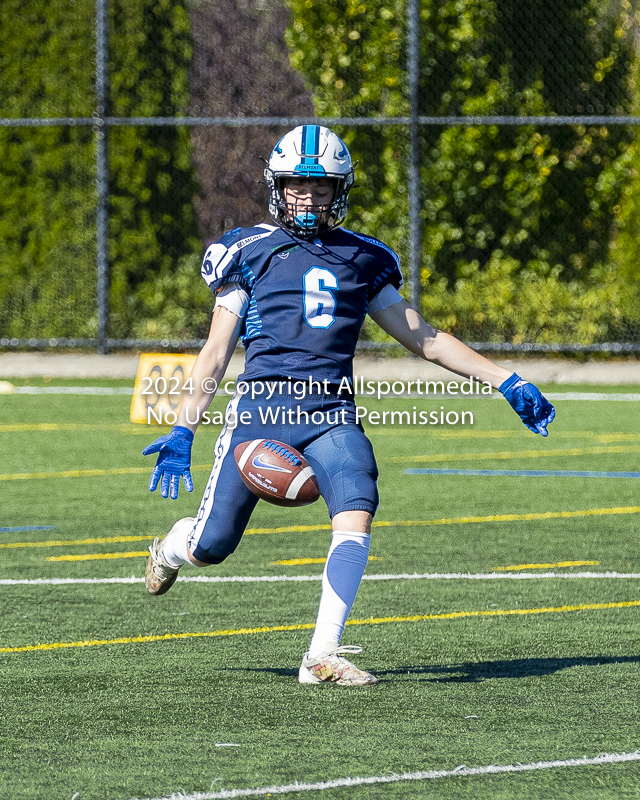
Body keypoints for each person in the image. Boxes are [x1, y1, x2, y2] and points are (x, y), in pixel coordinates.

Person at [142, 125, 555, 687]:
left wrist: (505, 379)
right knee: (211, 546)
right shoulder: (247, 252)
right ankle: (172, 547)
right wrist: (183, 430)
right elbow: (216, 352)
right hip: (262, 412)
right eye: (297, 186)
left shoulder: (364, 257)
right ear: (277, 187)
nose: (308, 198)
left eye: (321, 188)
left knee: (358, 499)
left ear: (341, 191)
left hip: (332, 411)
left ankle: (321, 653)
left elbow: (423, 337)